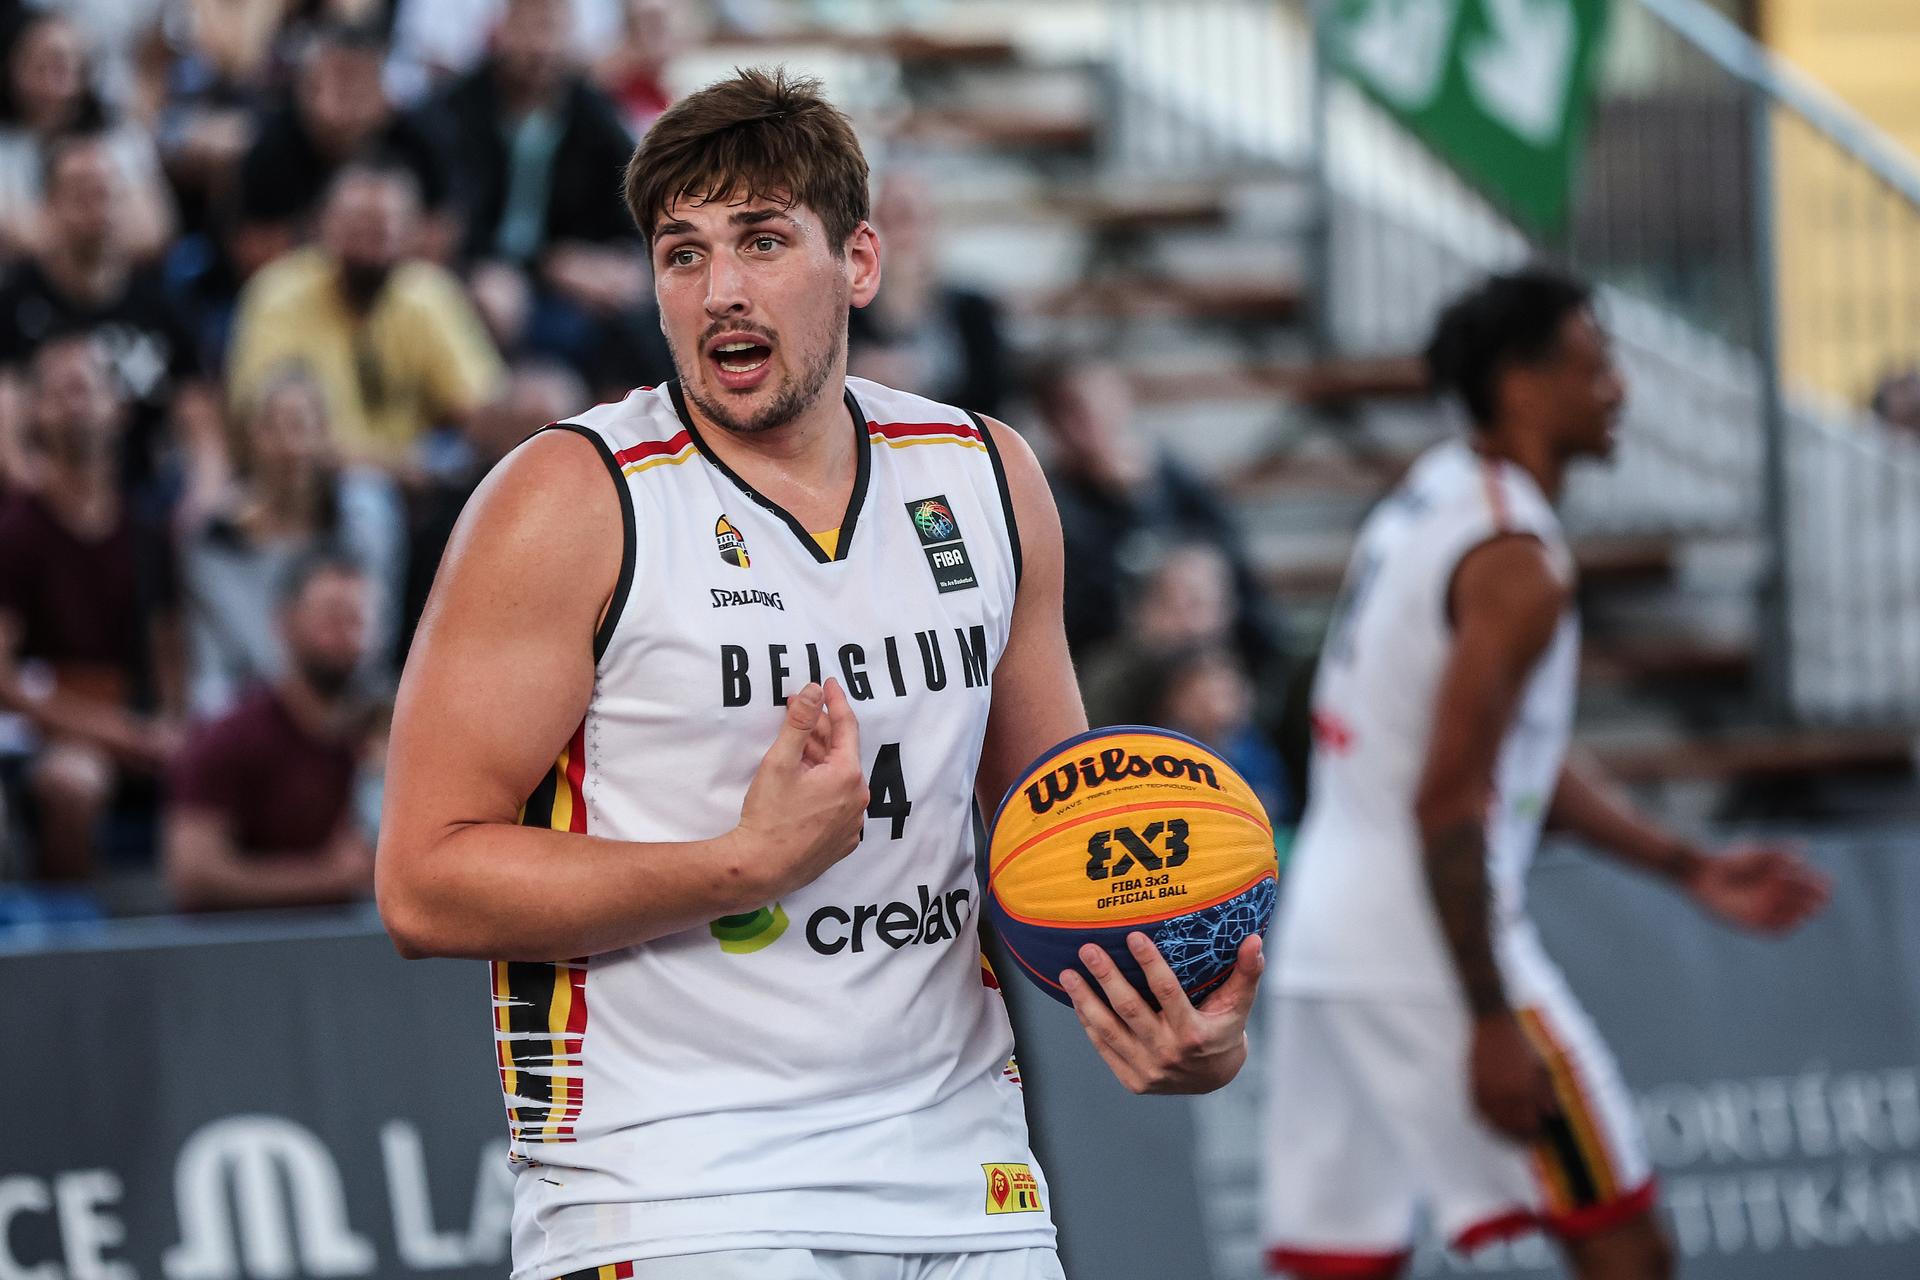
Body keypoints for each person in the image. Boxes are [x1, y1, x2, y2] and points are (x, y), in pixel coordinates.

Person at [377, 68, 1260, 1280]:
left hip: (965, 1172)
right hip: (677, 1184)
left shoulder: (988, 479)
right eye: (681, 254)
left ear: (859, 262)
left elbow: (1053, 828)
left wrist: (1172, 1005)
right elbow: (423, 881)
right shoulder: (568, 502)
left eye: (760, 240)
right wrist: (746, 863)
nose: (720, 289)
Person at [1261, 269, 1832, 1280]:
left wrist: (1685, 863)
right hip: (1425, 952)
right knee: (1626, 1245)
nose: (1617, 388)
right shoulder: (1516, 555)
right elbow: (1447, 796)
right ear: (1521, 386)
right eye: (1594, 364)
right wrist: (1488, 1017)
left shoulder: (1434, 492)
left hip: (1324, 943)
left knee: (1334, 1265)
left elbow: (1508, 752)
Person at [0, 332, 180, 880]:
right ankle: (72, 944)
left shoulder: (148, 530)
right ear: (36, 416)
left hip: (131, 719)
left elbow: (169, 652)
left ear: (119, 411)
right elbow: (4, 683)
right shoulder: (14, 532)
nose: (77, 400)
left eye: (89, 387)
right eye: (60, 391)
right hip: (41, 730)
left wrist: (171, 727)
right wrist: (115, 733)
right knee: (74, 785)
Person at [425, 0, 668, 395]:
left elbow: (632, 199)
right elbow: (451, 222)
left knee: (641, 303)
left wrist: (619, 261)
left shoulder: (592, 111)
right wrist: (546, 264)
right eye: (529, 28)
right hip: (481, 269)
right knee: (496, 299)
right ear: (502, 32)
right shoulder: (456, 110)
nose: (540, 47)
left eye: (552, 30)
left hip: (565, 276)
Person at [225, 155, 504, 470]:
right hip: (317, 479)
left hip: (420, 478)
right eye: (357, 227)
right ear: (322, 224)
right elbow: (265, 423)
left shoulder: (429, 293)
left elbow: (480, 406)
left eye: (382, 229)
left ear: (413, 233)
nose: (369, 247)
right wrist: (395, 467)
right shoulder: (279, 293)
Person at [178, 366, 405, 718]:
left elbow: (376, 639)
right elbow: (210, 679)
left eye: (302, 425)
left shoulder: (368, 517)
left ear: (326, 434)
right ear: (250, 437)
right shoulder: (212, 546)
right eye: (274, 428)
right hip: (254, 723)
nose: (290, 445)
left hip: (352, 711)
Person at [0, 131, 213, 499]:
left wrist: (200, 500)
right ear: (48, 207)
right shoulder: (13, 300)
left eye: (106, 193)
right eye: (80, 192)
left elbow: (202, 429)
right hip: (41, 504)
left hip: (141, 504)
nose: (95, 205)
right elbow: (9, 437)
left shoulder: (161, 305)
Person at [164, 549, 378, 911]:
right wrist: (328, 877)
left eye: (357, 619)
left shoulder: (375, 736)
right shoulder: (228, 737)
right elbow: (193, 873)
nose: (345, 635)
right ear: (284, 622)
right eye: (330, 617)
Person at [230, 20, 454, 278]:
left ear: (385, 92)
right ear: (306, 88)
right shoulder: (272, 145)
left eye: (359, 83)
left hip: (396, 290)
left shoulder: (420, 139)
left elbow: (441, 236)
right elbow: (252, 252)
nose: (346, 99)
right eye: (337, 80)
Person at [399, 358, 587, 658]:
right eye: (522, 429)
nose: (536, 447)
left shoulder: (596, 519)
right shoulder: (451, 520)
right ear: (494, 434)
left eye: (553, 434)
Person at [0, 9, 173, 261]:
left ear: (84, 73)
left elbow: (151, 231)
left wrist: (46, 232)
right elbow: (10, 233)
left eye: (61, 68)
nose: (50, 84)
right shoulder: (5, 144)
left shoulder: (119, 136)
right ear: (12, 70)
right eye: (38, 67)